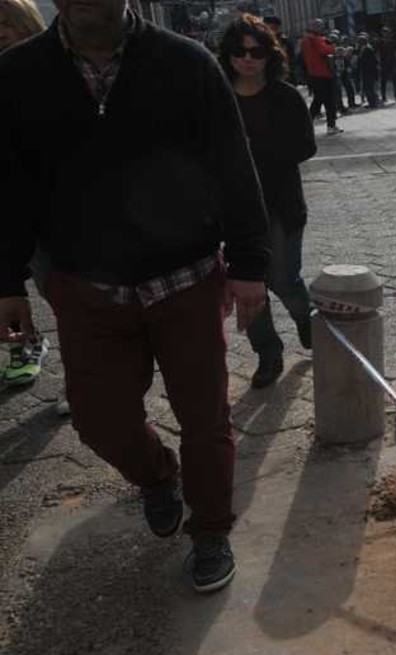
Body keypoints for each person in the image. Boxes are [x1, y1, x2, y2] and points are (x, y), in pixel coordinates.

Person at [0, 0, 271, 593]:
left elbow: (234, 165)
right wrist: (6, 282)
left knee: (205, 419)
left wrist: (251, 264)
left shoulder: (187, 63)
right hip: (86, 287)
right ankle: (156, 476)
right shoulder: (17, 76)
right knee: (99, 420)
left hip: (185, 280)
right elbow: (8, 187)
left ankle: (211, 531)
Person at [218, 15, 316, 390]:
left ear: (269, 54)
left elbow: (306, 146)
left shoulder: (285, 96)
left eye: (256, 51)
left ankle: (308, 320)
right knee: (249, 282)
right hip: (235, 210)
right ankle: (268, 353)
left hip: (280, 204)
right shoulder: (218, 96)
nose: (247, 58)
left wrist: (254, 153)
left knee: (283, 279)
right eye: (239, 51)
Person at [0, 0, 51, 391]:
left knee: (63, 292)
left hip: (51, 207)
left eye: (5, 23)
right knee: (7, 287)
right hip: (7, 205)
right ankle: (23, 344)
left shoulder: (49, 72)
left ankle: (83, 377)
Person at [301, 19, 342, 134]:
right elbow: (324, 50)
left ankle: (306, 125)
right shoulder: (316, 38)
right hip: (323, 73)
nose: (321, 28)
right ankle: (331, 126)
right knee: (329, 100)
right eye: (319, 26)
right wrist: (335, 48)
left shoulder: (305, 40)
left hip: (313, 73)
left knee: (318, 100)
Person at [378, 26, 396, 104]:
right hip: (384, 63)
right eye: (384, 33)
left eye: (387, 32)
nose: (386, 34)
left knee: (395, 82)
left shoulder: (393, 42)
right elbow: (378, 53)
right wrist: (378, 63)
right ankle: (384, 97)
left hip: (392, 62)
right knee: (383, 81)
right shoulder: (380, 42)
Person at [356, 32, 379, 109]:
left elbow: (372, 62)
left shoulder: (368, 49)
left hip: (369, 72)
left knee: (369, 88)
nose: (358, 43)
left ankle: (372, 103)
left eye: (359, 41)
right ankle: (371, 102)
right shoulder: (362, 49)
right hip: (365, 72)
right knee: (367, 88)